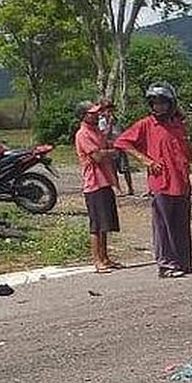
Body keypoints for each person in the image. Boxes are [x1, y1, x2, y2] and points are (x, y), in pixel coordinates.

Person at [114, 82, 192, 279]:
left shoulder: (178, 125)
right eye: (155, 103)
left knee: (181, 225)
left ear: (171, 103)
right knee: (163, 226)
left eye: (163, 103)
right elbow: (122, 141)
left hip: (181, 182)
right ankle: (166, 264)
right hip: (162, 183)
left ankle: (183, 262)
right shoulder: (147, 124)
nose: (159, 107)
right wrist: (146, 160)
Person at [74, 101, 123, 273]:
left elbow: (106, 143)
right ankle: (97, 260)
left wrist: (109, 126)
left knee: (105, 224)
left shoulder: (96, 131)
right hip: (94, 183)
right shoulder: (83, 134)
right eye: (92, 113)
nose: (96, 115)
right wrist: (113, 152)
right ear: (83, 115)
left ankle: (105, 257)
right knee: (96, 225)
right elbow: (97, 156)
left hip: (105, 181)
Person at [97, 99, 133, 196]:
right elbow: (104, 135)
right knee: (113, 170)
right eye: (108, 110)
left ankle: (130, 188)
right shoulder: (102, 122)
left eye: (111, 110)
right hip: (110, 147)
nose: (110, 112)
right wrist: (109, 124)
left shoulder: (117, 120)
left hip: (120, 146)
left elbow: (123, 131)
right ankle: (118, 189)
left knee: (125, 168)